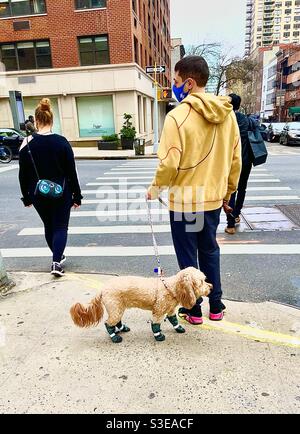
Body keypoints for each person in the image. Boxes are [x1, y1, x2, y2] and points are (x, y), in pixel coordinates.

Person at [147, 56, 241, 324]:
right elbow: (236, 160)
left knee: (188, 257)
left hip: (185, 202)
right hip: (212, 200)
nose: (173, 86)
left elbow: (169, 162)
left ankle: (193, 309)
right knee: (210, 250)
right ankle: (216, 305)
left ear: (188, 83)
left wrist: (155, 188)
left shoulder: (176, 116)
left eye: (176, 81)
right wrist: (227, 194)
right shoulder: (228, 115)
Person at [19, 98, 82, 277]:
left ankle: (56, 255)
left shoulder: (26, 143)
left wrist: (26, 197)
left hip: (38, 193)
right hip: (62, 192)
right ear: (51, 120)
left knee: (49, 225)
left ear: (37, 121)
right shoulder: (62, 142)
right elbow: (71, 172)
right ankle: (56, 262)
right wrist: (77, 196)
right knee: (61, 227)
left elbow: (22, 174)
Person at [225, 94, 255, 234]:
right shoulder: (247, 120)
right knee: (242, 188)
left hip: (230, 161)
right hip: (246, 160)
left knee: (231, 190)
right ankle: (236, 215)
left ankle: (230, 224)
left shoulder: (226, 119)